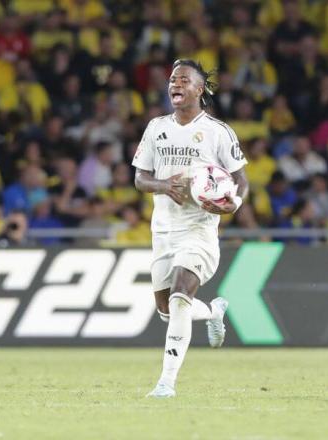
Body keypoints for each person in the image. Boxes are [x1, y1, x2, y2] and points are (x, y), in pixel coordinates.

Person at [132, 59, 249, 398]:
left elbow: (241, 178)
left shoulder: (218, 131)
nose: (175, 84)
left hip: (198, 229)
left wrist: (234, 203)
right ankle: (213, 311)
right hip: (163, 230)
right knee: (167, 309)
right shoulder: (156, 128)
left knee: (181, 295)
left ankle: (166, 382)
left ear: (200, 89)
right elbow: (140, 178)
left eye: (183, 79)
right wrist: (162, 185)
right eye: (172, 79)